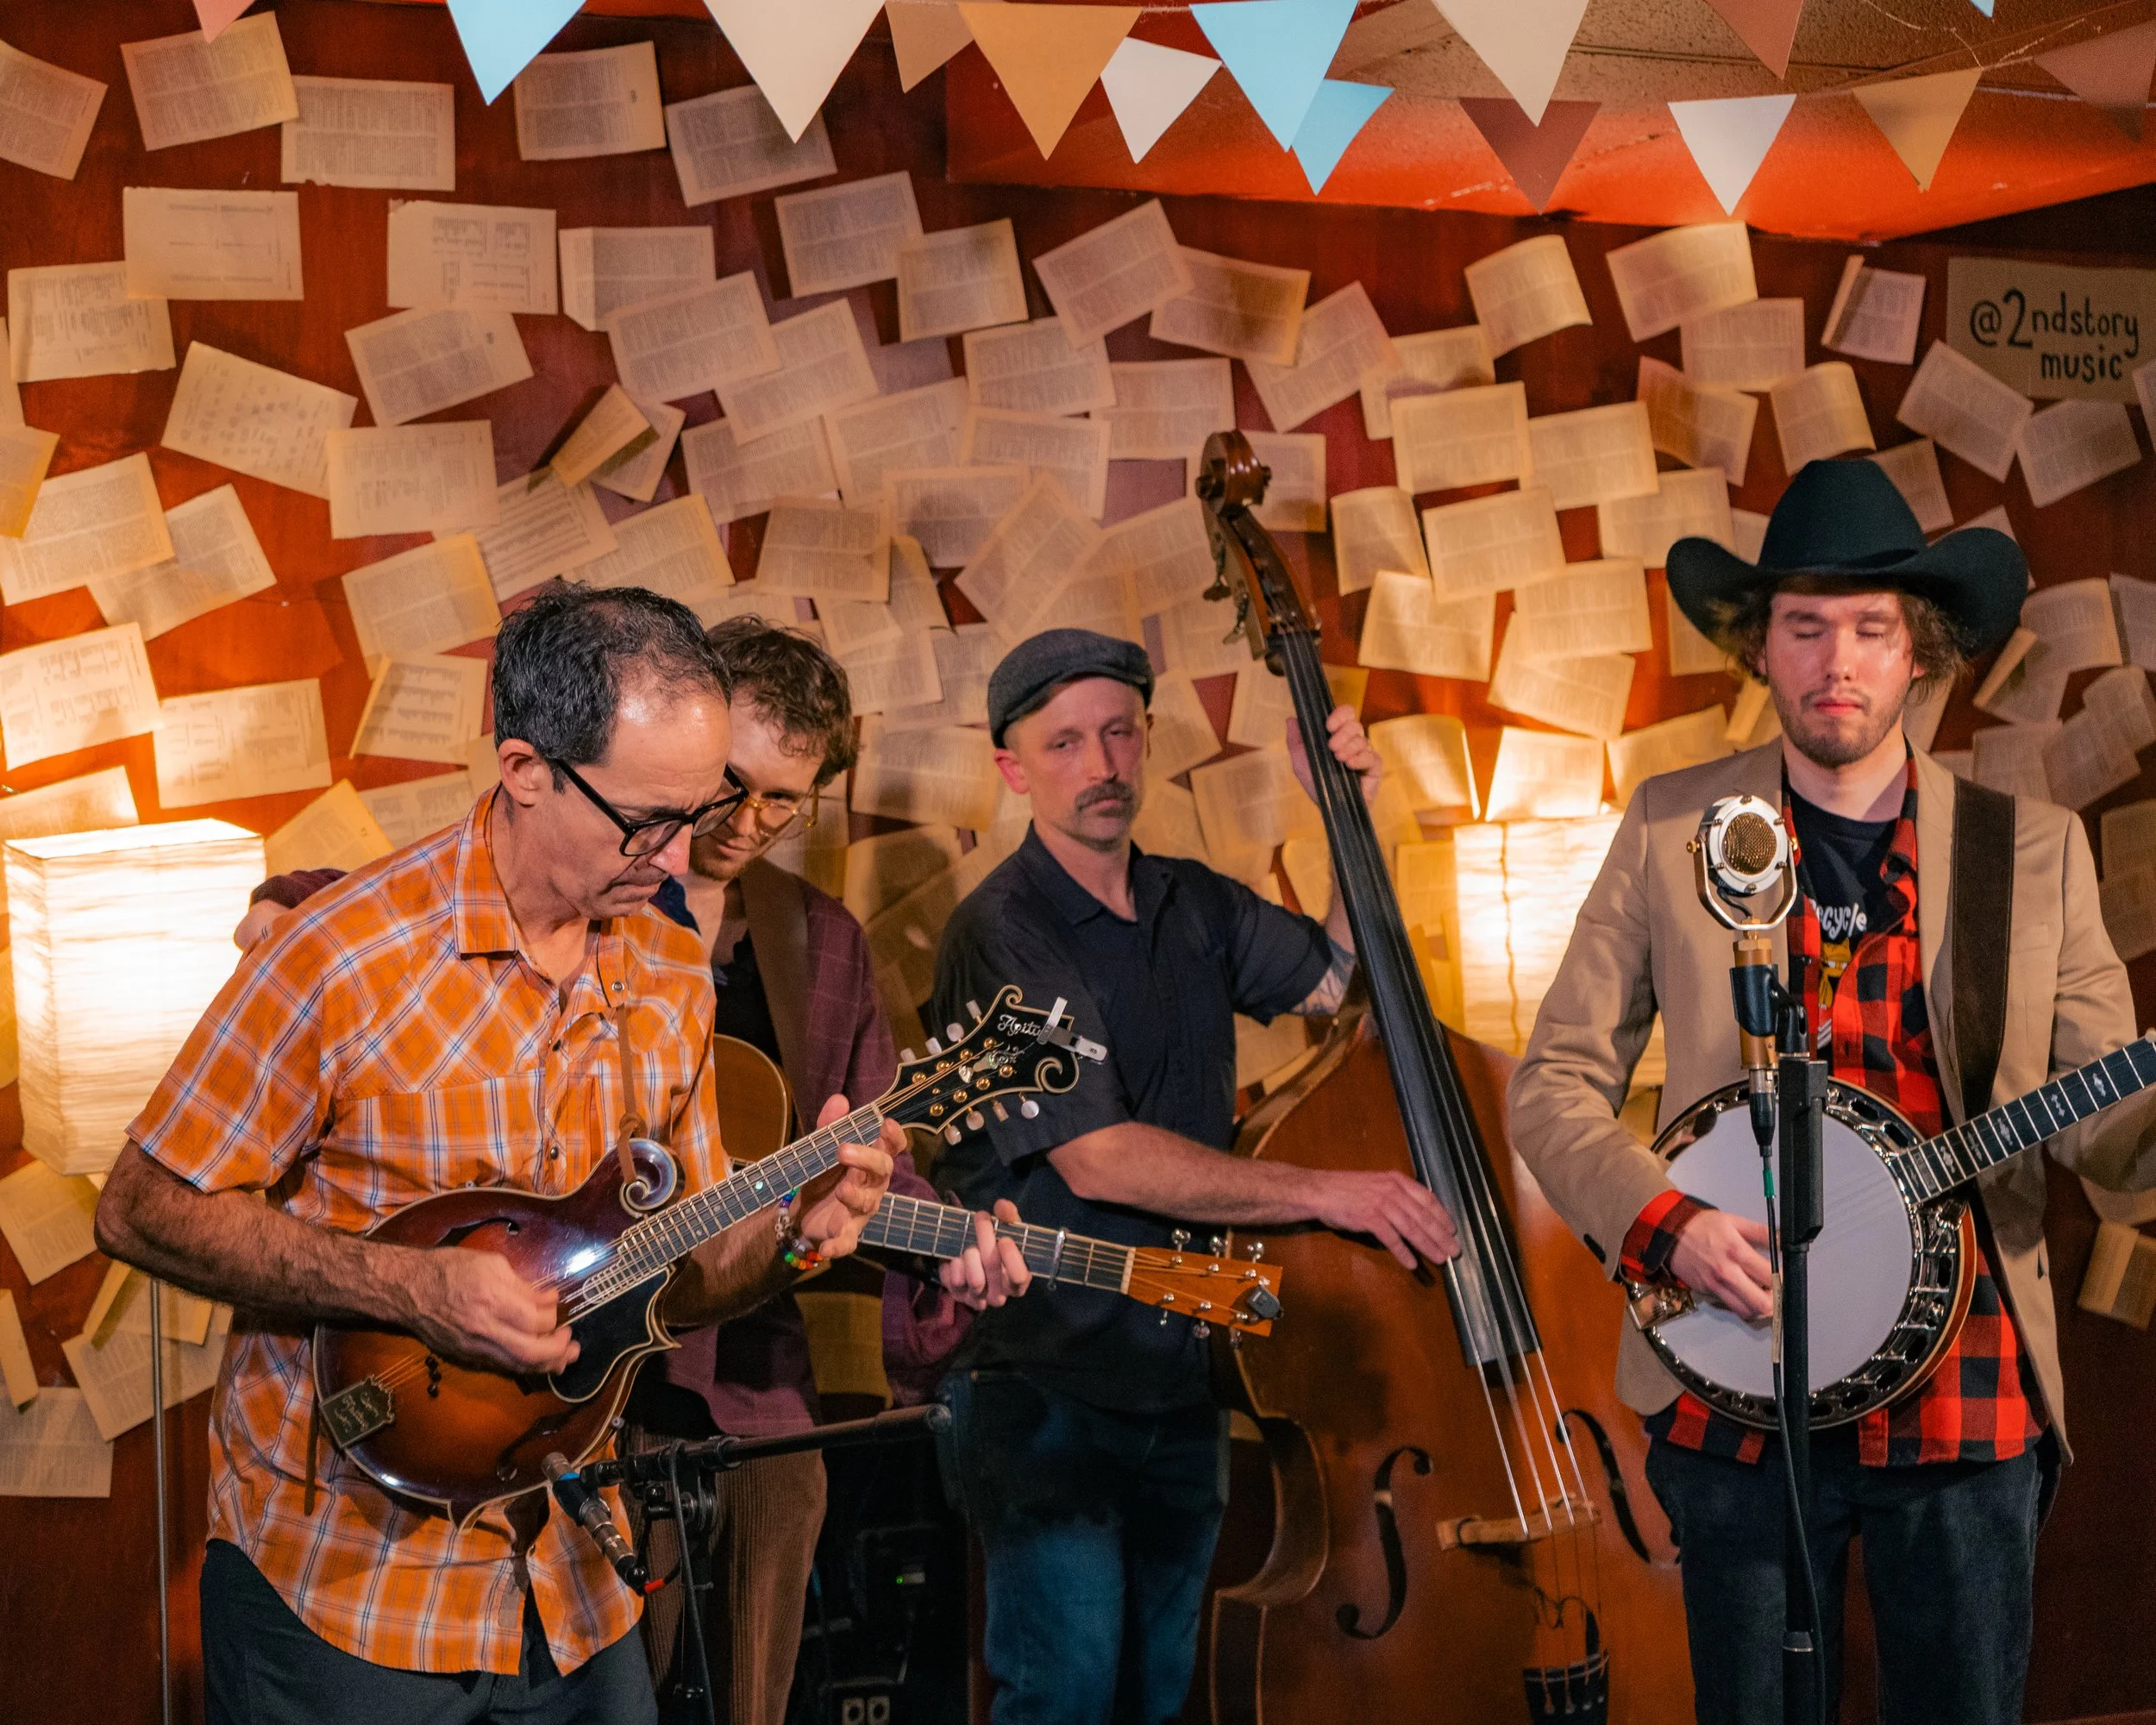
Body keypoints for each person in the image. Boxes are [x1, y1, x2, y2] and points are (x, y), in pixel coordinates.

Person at [93, 585, 900, 1725]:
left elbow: (694, 1271)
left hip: (572, 1578)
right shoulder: (345, 957)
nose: (678, 853)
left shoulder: (666, 968)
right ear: (525, 768)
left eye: (700, 807)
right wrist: (405, 1286)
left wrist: (797, 1244)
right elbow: (141, 1208)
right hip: (343, 1578)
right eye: (644, 819)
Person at [228, 615, 1032, 1725]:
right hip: (506, 1412)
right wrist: (288, 896)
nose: (738, 826)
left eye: (780, 802)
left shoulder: (805, 945)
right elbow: (407, 908)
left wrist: (935, 1253)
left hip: (722, 1375)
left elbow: (843, 1166)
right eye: (722, 789)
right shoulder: (552, 871)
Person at [1508, 458, 2156, 1725]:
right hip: (1732, 1376)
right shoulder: (1667, 826)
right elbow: (1554, 1086)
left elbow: (2104, 1134)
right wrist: (1669, 1227)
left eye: (1871, 629)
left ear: (1922, 652)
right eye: (1804, 628)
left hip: (1968, 1396)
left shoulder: (2033, 853)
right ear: (1763, 650)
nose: (1837, 661)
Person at [928, 627, 1461, 1725]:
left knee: (1166, 1700)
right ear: (1013, 767)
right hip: (1049, 1384)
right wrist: (1325, 1189)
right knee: (1065, 1701)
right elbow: (1096, 1150)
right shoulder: (1000, 929)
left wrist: (1351, 815)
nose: (1103, 762)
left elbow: (1335, 981)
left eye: (1119, 732)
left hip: (1189, 1371)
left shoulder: (1192, 899)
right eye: (1066, 741)